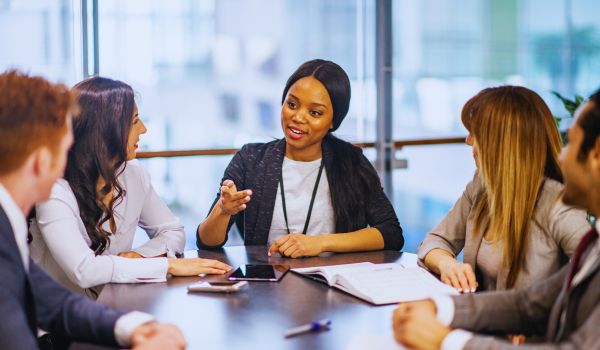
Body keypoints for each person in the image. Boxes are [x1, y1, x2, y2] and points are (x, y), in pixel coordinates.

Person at [393, 89, 600, 349]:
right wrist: (440, 307)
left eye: (570, 143)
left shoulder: (558, 205)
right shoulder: (594, 244)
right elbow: (529, 305)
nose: (560, 155)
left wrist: (446, 341)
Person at [0, 70, 186, 349]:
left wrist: (133, 328)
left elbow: (52, 300)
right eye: (65, 150)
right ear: (41, 161)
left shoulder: (8, 223)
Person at [29, 76, 231, 295]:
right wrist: (167, 265)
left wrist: (141, 256)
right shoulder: (54, 188)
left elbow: (172, 231)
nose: (143, 129)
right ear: (105, 130)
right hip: (57, 322)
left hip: (109, 307)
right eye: (135, 121)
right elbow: (83, 270)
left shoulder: (133, 174)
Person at [197, 59, 403, 257]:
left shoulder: (351, 162)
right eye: (292, 105)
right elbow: (206, 241)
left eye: (314, 112)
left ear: (333, 121)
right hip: (267, 286)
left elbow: (391, 232)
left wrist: (320, 243)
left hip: (333, 284)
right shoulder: (251, 159)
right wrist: (222, 211)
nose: (298, 117)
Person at [417, 86, 589, 292]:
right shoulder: (482, 186)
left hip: (524, 324)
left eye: (475, 133)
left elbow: (593, 274)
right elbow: (436, 240)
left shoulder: (558, 204)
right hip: (477, 318)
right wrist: (448, 264)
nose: (468, 140)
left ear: (500, 144)